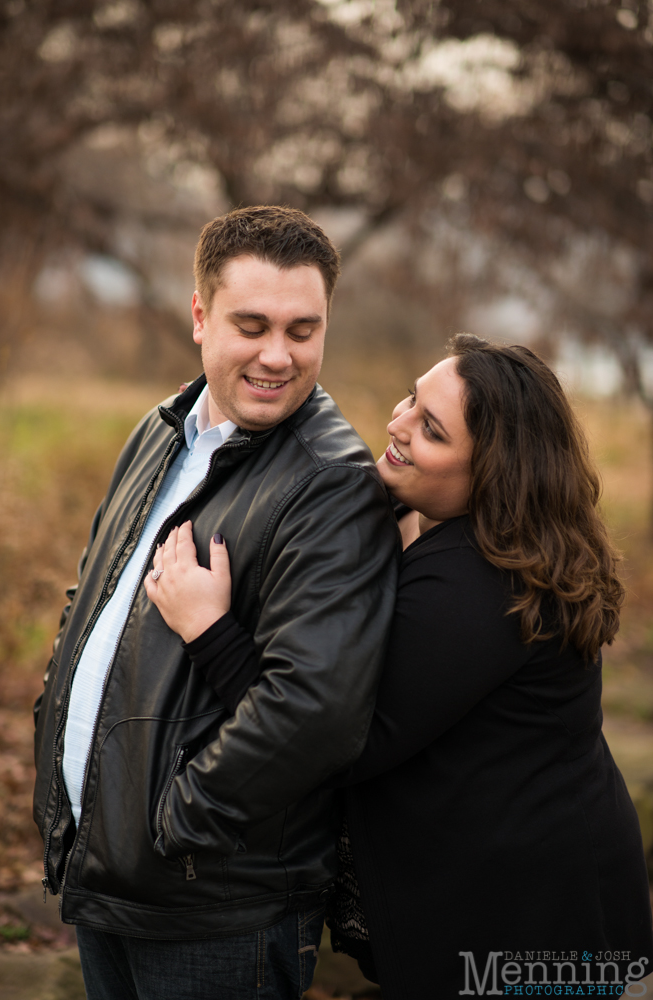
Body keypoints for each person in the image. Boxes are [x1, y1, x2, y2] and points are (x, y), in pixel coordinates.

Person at [150, 334, 653, 997]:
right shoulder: (503, 548)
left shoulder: (478, 587)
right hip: (552, 907)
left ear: (493, 473)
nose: (398, 424)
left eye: (432, 431)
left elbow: (331, 738)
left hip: (525, 936)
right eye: (413, 399)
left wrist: (208, 629)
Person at [32, 205, 400, 1000]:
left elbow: (317, 712)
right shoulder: (163, 429)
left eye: (303, 330)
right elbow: (97, 593)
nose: (278, 355)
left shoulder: (330, 485)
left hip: (213, 906)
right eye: (253, 324)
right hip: (108, 873)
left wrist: (171, 825)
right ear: (200, 316)